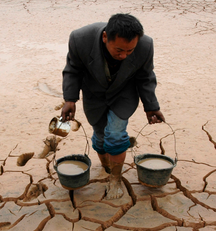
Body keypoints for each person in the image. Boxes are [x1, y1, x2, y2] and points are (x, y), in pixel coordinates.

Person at [61, 13, 165, 199]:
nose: (124, 55)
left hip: (124, 93)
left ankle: (115, 178)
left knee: (115, 135)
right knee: (101, 138)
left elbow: (145, 77)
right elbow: (73, 70)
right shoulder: (80, 39)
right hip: (94, 93)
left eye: (129, 51)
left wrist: (151, 107)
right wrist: (70, 100)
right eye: (119, 50)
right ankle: (107, 167)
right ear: (105, 37)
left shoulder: (145, 45)